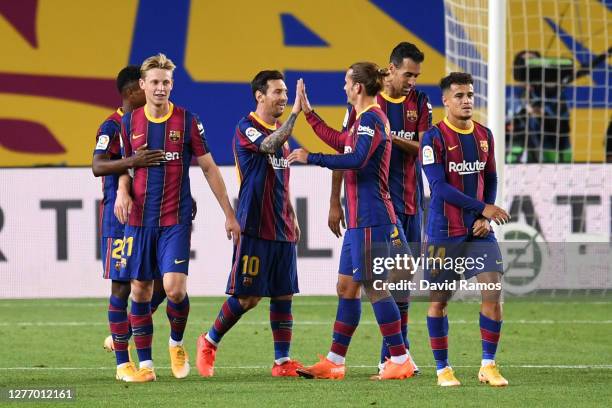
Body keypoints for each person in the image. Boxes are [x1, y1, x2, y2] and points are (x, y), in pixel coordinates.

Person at [114, 53, 240, 382]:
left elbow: (210, 167)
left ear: (172, 85)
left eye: (166, 82)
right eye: (154, 82)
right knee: (140, 290)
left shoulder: (187, 121)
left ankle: (176, 343)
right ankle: (146, 366)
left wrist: (229, 212)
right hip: (138, 220)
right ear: (143, 85)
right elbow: (126, 166)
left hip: (175, 217)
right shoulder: (129, 123)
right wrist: (121, 190)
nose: (160, 88)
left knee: (174, 289)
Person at [288, 62, 414, 380]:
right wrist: (309, 113)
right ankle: (334, 361)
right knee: (346, 287)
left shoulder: (372, 118)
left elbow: (355, 159)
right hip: (359, 221)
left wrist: (311, 157)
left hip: (373, 218)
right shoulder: (361, 120)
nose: (343, 86)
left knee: (375, 287)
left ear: (358, 87)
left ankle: (400, 359)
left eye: (346, 82)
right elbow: (339, 140)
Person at [324, 42, 431, 375]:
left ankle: (395, 357)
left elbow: (425, 148)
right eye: (407, 73)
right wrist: (334, 201)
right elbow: (346, 150)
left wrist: (385, 136)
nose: (412, 80)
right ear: (392, 68)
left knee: (398, 283)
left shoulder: (420, 103)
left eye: (416, 75)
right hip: (373, 207)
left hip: (409, 204)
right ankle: (344, 361)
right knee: (352, 285)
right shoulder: (366, 104)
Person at [196, 71, 304, 378]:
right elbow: (269, 145)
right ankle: (209, 340)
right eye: (278, 92)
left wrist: (292, 214)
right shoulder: (248, 127)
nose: (283, 98)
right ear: (260, 95)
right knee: (248, 297)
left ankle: (282, 362)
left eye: (286, 93)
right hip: (255, 224)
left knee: (284, 293)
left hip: (281, 224)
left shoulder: (280, 133)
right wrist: (296, 113)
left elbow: (280, 178)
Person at [420, 72, 510, 387]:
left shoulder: (484, 134)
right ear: (445, 100)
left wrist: (484, 217)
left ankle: (488, 365)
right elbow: (439, 188)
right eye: (459, 95)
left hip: (479, 232)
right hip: (445, 229)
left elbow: (492, 178)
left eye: (470, 94)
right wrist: (481, 209)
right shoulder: (433, 138)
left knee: (493, 291)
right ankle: (443, 369)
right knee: (439, 301)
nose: (467, 100)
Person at [91, 65, 165, 381]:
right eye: (145, 86)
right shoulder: (112, 124)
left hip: (150, 218)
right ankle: (123, 365)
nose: (152, 91)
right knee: (122, 286)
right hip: (120, 218)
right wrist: (132, 162)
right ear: (132, 91)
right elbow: (97, 165)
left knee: (164, 282)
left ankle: (125, 330)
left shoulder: (146, 125)